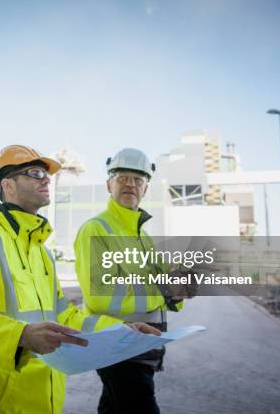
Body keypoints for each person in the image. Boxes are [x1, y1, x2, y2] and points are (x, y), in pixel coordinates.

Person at [0, 145, 160, 414]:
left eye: (47, 175)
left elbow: (66, 316)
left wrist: (120, 330)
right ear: (7, 185)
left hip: (43, 398)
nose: (46, 179)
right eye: (35, 172)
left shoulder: (42, 252)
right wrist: (22, 335)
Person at [74, 148, 187, 414]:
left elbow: (162, 285)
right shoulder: (96, 229)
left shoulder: (143, 238)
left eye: (138, 179)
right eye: (122, 177)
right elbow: (100, 295)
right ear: (108, 184)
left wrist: (179, 290)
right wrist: (163, 290)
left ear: (146, 189)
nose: (130, 184)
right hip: (118, 346)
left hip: (142, 347)